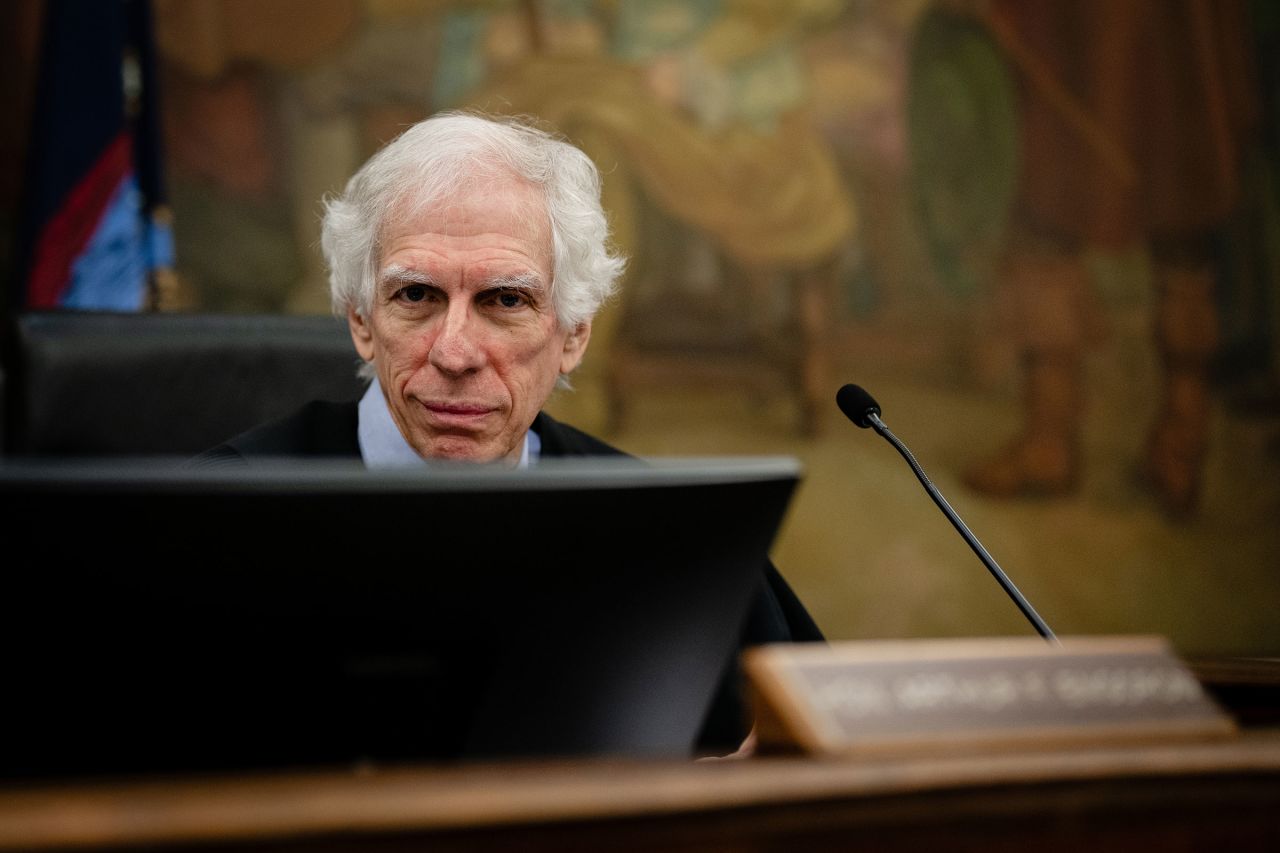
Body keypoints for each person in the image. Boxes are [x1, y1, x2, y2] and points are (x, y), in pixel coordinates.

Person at [196, 111, 822, 753]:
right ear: (361, 320)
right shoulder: (212, 521)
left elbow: (809, 755)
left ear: (573, 335)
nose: (456, 352)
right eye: (415, 295)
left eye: (504, 300)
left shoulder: (677, 535)